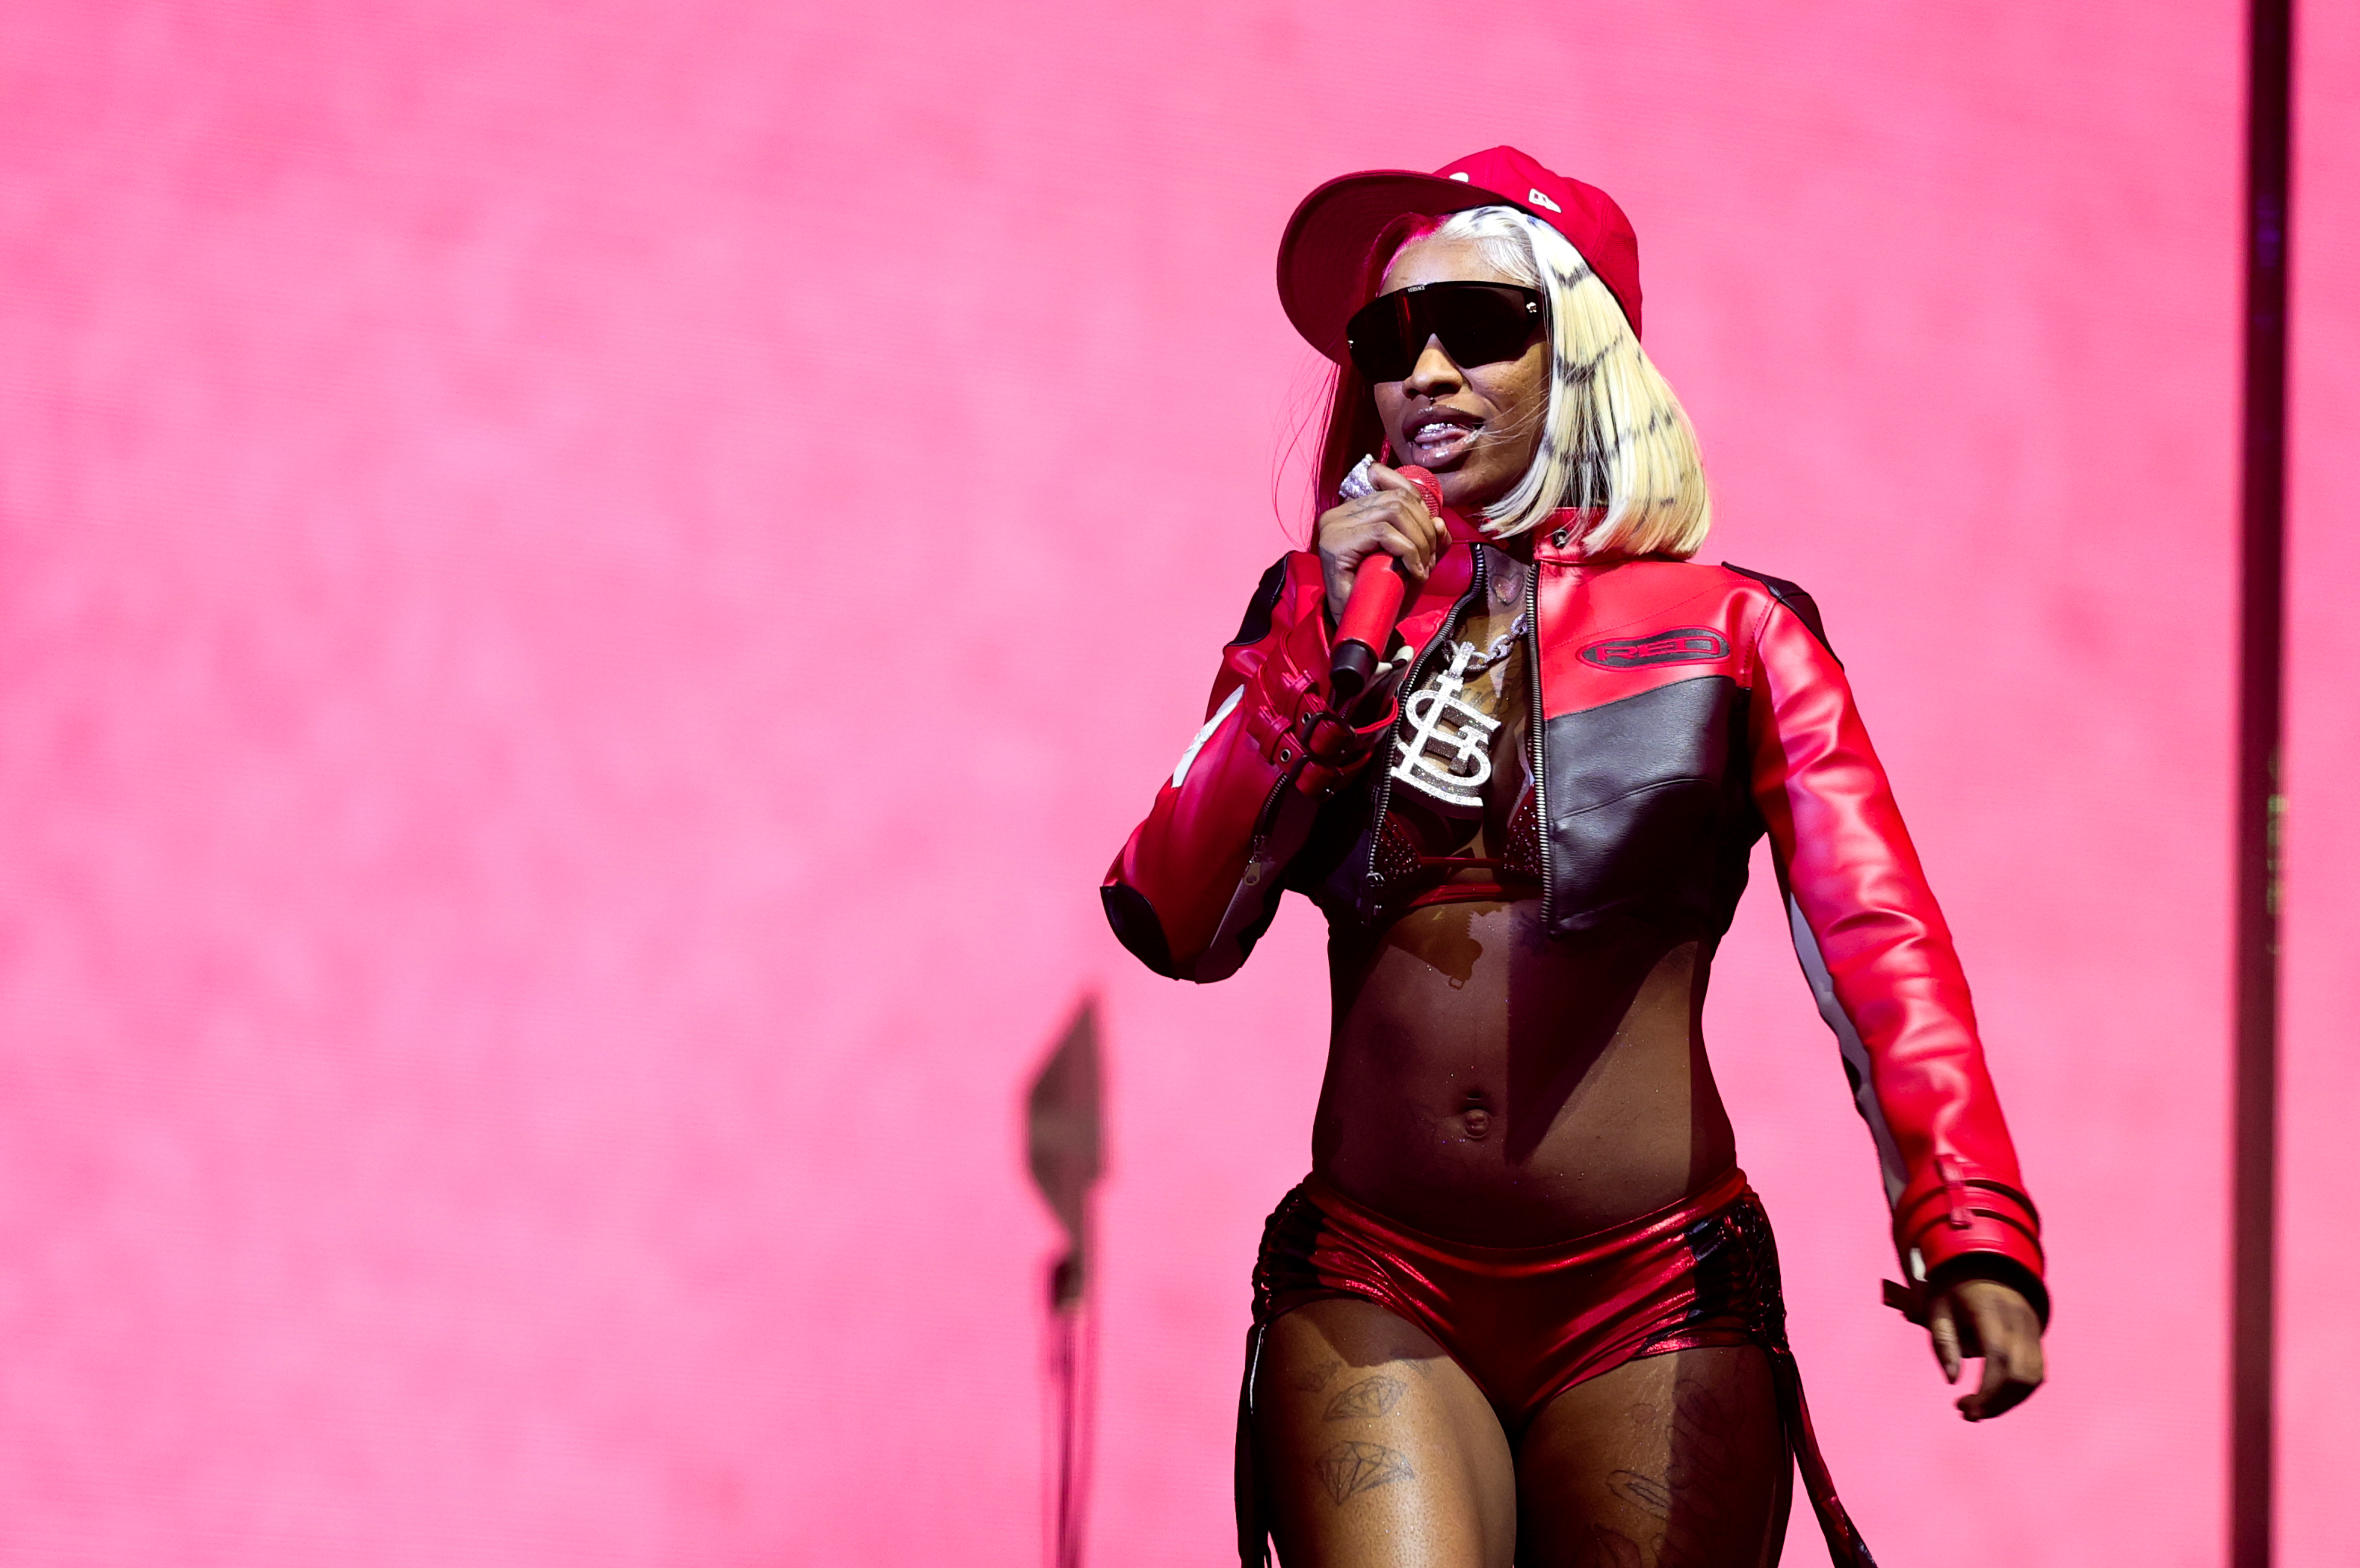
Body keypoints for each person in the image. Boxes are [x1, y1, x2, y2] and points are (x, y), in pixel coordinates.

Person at [1102, 146, 2047, 1568]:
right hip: (1377, 1272)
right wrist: (1311, 651)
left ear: (1586, 352)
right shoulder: (1318, 620)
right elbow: (1172, 912)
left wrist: (1968, 1220)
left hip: (1653, 1290)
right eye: (1387, 339)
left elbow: (1879, 932)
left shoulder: (1742, 631)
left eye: (1479, 327)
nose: (1422, 369)